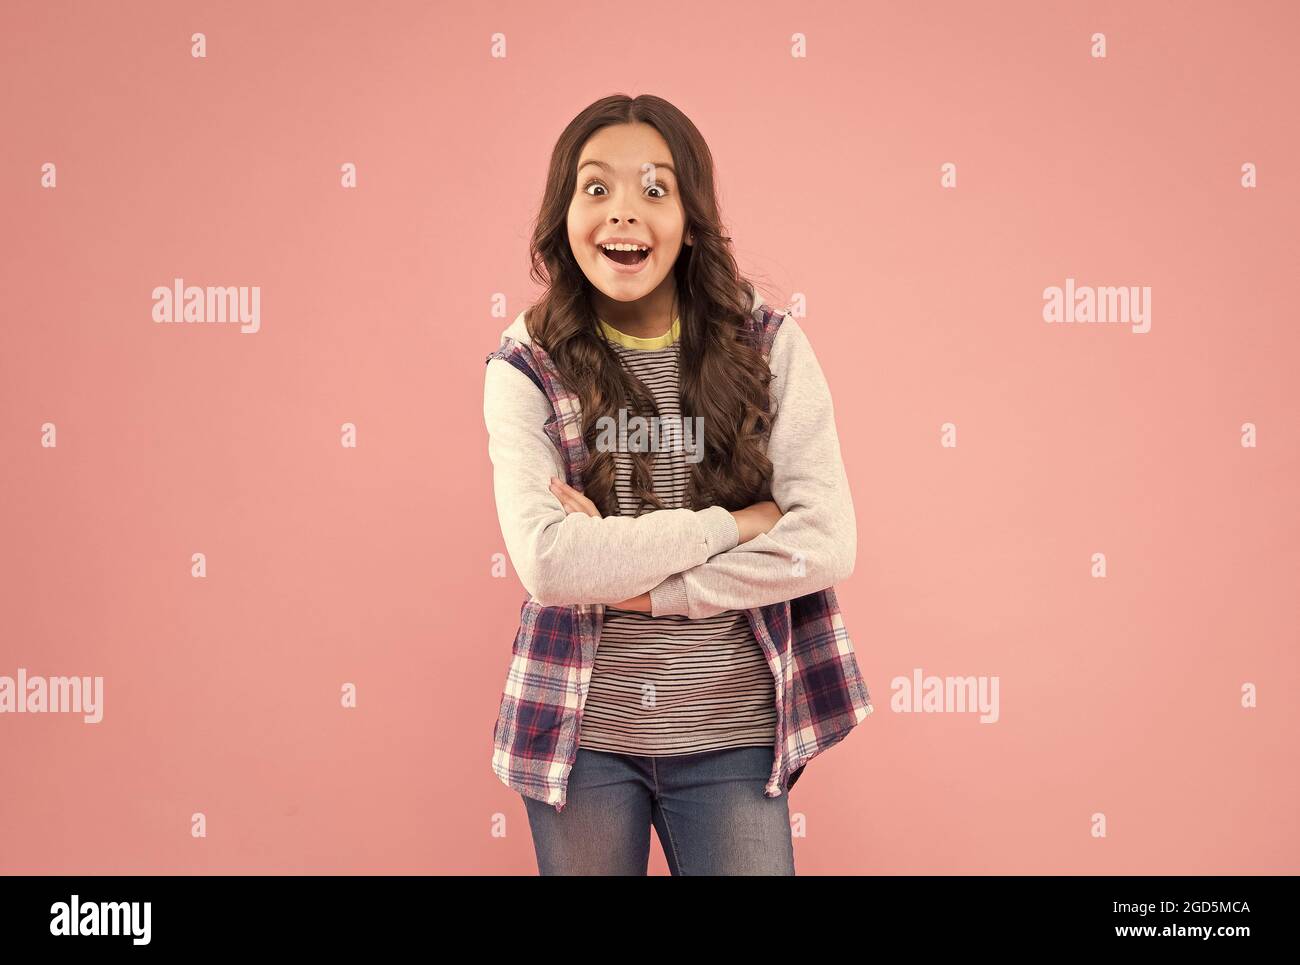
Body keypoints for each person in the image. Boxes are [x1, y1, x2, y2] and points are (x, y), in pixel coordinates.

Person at [482, 93, 871, 875]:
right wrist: (735, 523)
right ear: (564, 216)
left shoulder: (767, 345)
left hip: (731, 729)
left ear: (691, 219)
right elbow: (552, 564)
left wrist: (640, 584)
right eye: (596, 189)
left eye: (654, 189)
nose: (623, 213)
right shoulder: (525, 363)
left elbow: (826, 543)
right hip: (579, 732)